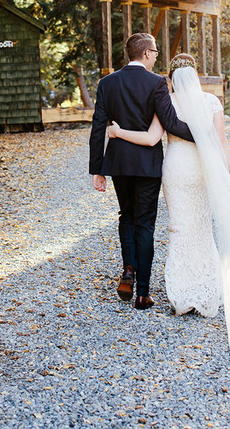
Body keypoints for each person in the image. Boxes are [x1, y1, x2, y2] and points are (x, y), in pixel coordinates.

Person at [107, 53, 230, 369]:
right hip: (202, 170)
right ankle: (208, 294)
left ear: (171, 77)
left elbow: (153, 138)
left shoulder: (165, 101)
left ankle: (182, 296)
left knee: (179, 228)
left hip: (177, 170)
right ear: (195, 75)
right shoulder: (210, 103)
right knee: (202, 227)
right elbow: (222, 145)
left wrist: (117, 132)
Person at [89, 33, 194, 309]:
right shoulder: (156, 83)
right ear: (146, 54)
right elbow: (170, 122)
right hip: (147, 164)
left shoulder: (107, 83)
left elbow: (98, 127)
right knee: (145, 223)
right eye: (156, 52)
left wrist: (97, 169)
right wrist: (202, 136)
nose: (157, 57)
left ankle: (128, 270)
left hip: (119, 164)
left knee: (127, 216)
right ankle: (143, 293)